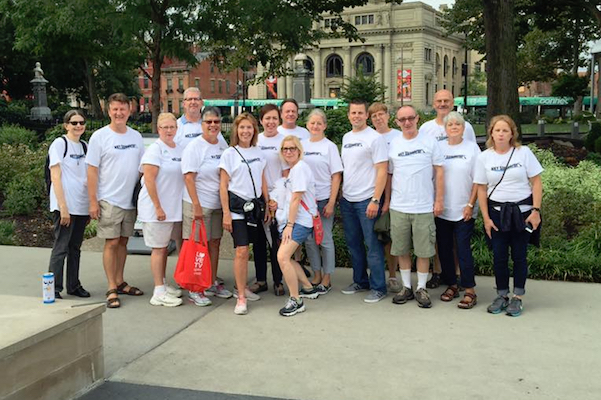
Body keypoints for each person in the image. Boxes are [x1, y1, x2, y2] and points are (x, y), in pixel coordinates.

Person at [474, 115, 543, 317]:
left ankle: (518, 297)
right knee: (499, 257)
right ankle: (502, 294)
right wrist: (486, 218)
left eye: (505, 130)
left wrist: (536, 211)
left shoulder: (524, 153)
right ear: (491, 134)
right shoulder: (484, 157)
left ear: (512, 133)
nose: (501, 134)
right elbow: (481, 190)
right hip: (496, 214)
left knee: (520, 256)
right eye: (497, 130)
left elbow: (536, 183)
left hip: (522, 215)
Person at [87, 93, 145, 309]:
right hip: (108, 199)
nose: (119, 113)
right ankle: (111, 286)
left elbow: (142, 170)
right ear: (108, 111)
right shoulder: (100, 137)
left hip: (130, 200)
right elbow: (91, 171)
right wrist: (93, 201)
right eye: (115, 109)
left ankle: (120, 281)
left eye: (123, 109)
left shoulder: (136, 137)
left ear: (129, 111)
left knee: (123, 242)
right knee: (111, 242)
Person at [387, 105, 444, 309]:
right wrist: (387, 201)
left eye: (410, 118)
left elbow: (439, 172)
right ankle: (406, 287)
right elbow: (390, 174)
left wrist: (439, 200)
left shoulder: (430, 142)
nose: (407, 122)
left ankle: (421, 287)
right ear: (397, 122)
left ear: (417, 118)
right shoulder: (393, 144)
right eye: (402, 119)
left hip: (423, 206)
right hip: (399, 206)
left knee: (423, 251)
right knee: (401, 249)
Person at [419, 89, 477, 289]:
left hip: (462, 200)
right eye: (439, 101)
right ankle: (439, 273)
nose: (442, 104)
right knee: (440, 241)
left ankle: (459, 276)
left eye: (446, 101)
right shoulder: (426, 128)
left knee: (459, 244)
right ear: (434, 104)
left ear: (452, 103)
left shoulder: (466, 128)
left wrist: (471, 201)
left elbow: (474, 165)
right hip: (436, 197)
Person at [219, 113, 269, 315]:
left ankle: (245, 288)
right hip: (238, 210)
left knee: (254, 247)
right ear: (236, 131)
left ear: (254, 130)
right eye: (242, 128)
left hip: (255, 208)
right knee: (241, 250)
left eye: (249, 128)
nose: (246, 131)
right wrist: (225, 213)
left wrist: (268, 205)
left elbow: (262, 179)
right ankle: (240, 296)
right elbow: (223, 186)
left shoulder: (259, 152)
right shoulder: (229, 154)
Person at [181, 107, 232, 306]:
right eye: (208, 122)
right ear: (201, 124)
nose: (213, 125)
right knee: (198, 247)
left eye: (216, 122)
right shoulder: (195, 146)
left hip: (216, 203)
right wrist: (196, 206)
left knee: (214, 244)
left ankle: (210, 281)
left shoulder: (222, 143)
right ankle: (195, 288)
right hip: (198, 204)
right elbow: (188, 178)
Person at [340, 100, 389, 303]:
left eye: (360, 112)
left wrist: (375, 200)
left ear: (366, 116)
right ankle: (360, 280)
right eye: (353, 113)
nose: (357, 116)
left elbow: (382, 170)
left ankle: (379, 287)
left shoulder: (375, 138)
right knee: (353, 244)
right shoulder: (346, 137)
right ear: (349, 115)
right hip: (348, 199)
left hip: (367, 200)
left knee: (372, 245)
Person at [137, 113, 184, 307]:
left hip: (173, 208)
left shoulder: (178, 148)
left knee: (164, 248)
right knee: (158, 249)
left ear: (176, 128)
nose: (168, 130)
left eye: (171, 127)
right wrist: (157, 206)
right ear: (158, 129)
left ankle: (163, 284)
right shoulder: (154, 150)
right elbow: (148, 180)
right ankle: (158, 292)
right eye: (164, 127)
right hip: (157, 209)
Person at [436, 112, 481, 309]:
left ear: (463, 128)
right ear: (445, 129)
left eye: (457, 124)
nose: (454, 127)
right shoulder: (438, 148)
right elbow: (433, 177)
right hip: (442, 209)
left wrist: (470, 205)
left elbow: (478, 180)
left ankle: (469, 289)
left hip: (464, 209)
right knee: (444, 249)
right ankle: (452, 285)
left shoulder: (472, 149)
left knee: (463, 249)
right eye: (450, 124)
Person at [47, 110, 90, 299]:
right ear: (66, 125)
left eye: (81, 122)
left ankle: (73, 285)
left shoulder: (85, 147)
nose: (78, 126)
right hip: (65, 205)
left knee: (75, 248)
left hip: (81, 205)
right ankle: (54, 288)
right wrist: (63, 207)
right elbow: (55, 175)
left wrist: (89, 206)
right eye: (74, 123)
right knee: (61, 246)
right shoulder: (60, 144)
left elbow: (88, 177)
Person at [276, 136, 321, 316]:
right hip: (296, 220)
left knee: (282, 257)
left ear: (299, 150)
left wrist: (289, 225)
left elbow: (296, 198)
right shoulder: (295, 169)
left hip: (300, 222)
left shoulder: (300, 168)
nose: (288, 152)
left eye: (292, 148)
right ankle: (308, 288)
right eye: (285, 149)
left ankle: (296, 299)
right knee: (287, 257)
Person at [301, 109, 342, 294]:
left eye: (319, 123)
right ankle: (316, 274)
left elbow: (336, 175)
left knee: (325, 239)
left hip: (324, 200)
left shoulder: (329, 147)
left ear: (324, 126)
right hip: (306, 202)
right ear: (307, 125)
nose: (315, 126)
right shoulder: (302, 145)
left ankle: (327, 276)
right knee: (309, 240)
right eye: (312, 123)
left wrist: (332, 201)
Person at [368, 102, 402, 293]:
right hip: (371, 193)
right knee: (374, 238)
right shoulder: (369, 137)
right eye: (374, 116)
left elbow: (389, 172)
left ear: (388, 116)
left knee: (390, 237)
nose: (378, 118)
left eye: (381, 114)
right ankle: (377, 275)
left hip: (394, 193)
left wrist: (387, 200)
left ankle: (392, 275)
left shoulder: (397, 137)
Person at [256, 104, 286, 295]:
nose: (271, 122)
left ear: (279, 120)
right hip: (257, 197)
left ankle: (278, 280)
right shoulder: (255, 140)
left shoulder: (284, 141)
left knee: (276, 240)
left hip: (277, 197)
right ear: (261, 121)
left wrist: (276, 198)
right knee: (259, 241)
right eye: (267, 118)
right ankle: (260, 280)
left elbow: (287, 171)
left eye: (274, 118)